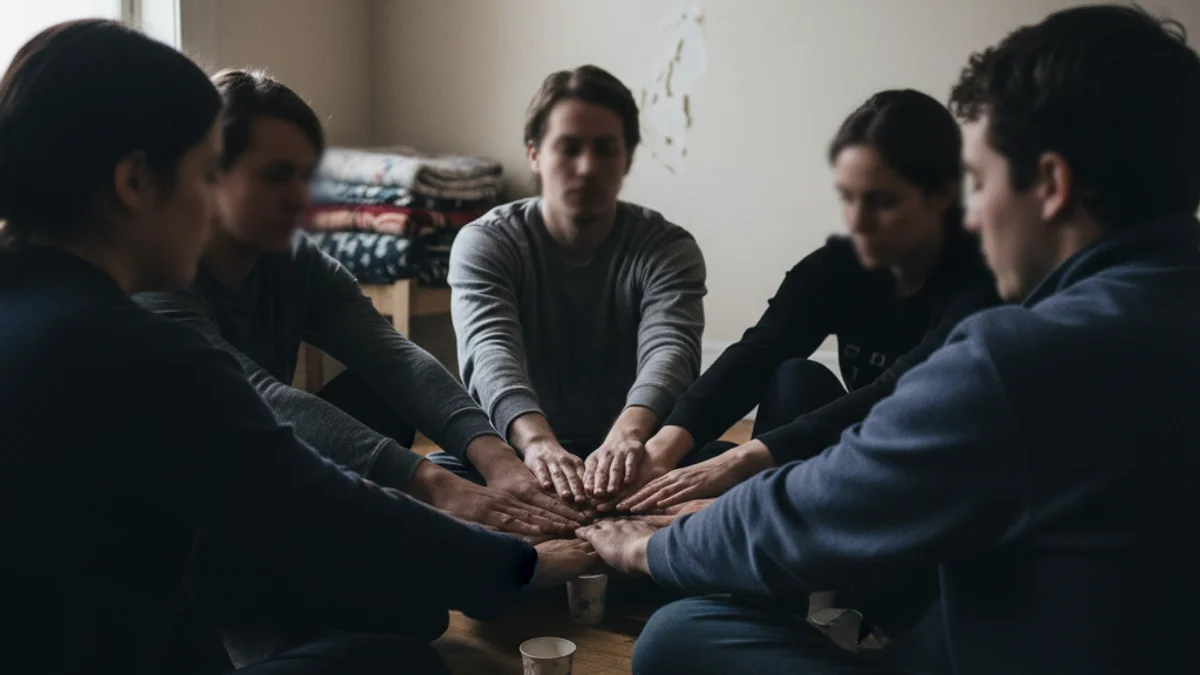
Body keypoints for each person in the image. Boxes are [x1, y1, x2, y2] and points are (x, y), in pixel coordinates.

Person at [578, 5, 1200, 675]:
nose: (977, 215)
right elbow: (764, 360)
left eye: (982, 183)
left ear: (1051, 185)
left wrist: (644, 548)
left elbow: (812, 511)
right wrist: (667, 447)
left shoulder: (1021, 354)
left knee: (678, 635)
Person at [0, 20, 594, 675]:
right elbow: (305, 495)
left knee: (409, 612)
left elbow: (388, 363)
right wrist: (516, 562)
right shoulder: (143, 347)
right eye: (202, 174)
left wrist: (495, 462)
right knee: (405, 660)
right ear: (135, 182)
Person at [136, 70, 584, 540]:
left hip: (258, 466)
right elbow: (257, 399)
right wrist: (439, 488)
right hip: (176, 499)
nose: (301, 198)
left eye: (307, 176)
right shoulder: (151, 274)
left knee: (383, 393)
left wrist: (501, 460)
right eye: (276, 176)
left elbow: (395, 359)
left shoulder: (294, 260)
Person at [614, 89, 999, 515]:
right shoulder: (840, 265)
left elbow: (899, 393)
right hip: (864, 454)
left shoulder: (984, 278)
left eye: (883, 201)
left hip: (943, 469)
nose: (858, 222)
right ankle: (758, 518)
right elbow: (758, 353)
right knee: (793, 379)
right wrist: (662, 449)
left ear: (941, 194)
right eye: (849, 197)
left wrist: (740, 461)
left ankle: (757, 513)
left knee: (730, 462)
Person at [440, 64, 708, 507]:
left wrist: (625, 439)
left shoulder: (668, 248)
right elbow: (489, 351)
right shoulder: (486, 242)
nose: (587, 168)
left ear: (628, 158)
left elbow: (671, 351)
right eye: (569, 148)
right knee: (426, 483)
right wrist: (538, 445)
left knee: (736, 477)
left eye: (605, 150)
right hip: (519, 452)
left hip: (635, 457)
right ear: (534, 154)